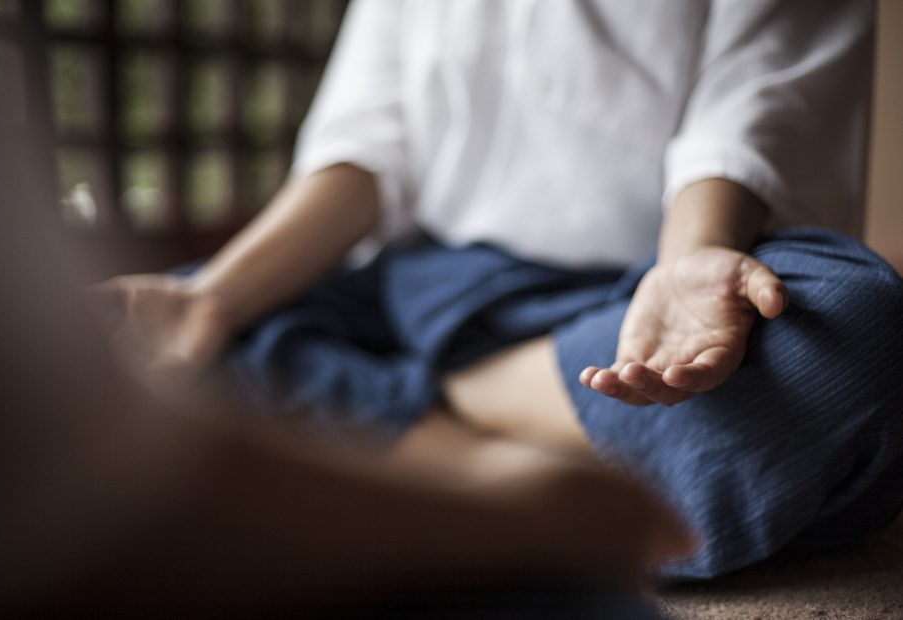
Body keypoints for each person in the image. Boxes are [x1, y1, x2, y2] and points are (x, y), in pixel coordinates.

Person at [99, 0, 903, 580]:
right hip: (417, 288)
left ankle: (431, 423)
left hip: (625, 307)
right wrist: (212, 299)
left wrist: (687, 258)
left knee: (855, 335)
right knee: (125, 347)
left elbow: (750, 110)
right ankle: (522, 461)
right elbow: (365, 151)